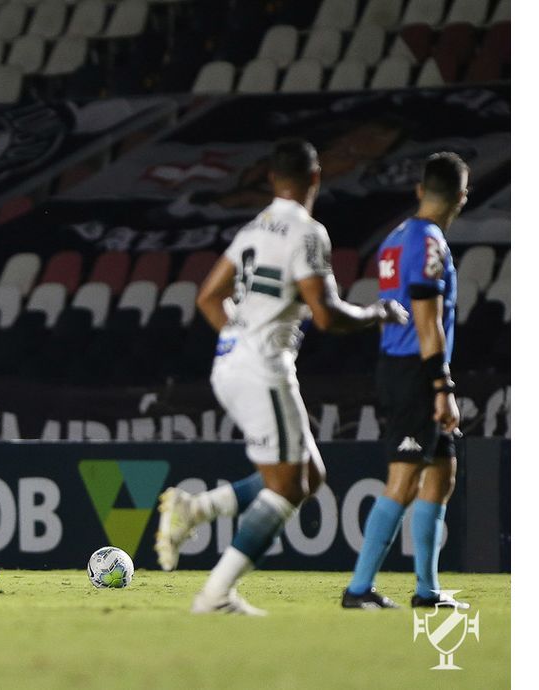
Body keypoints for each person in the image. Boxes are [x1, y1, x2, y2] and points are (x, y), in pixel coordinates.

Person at [159, 138, 407, 614]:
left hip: (231, 362)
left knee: (309, 475)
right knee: (288, 485)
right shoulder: (307, 232)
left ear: (271, 178)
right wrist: (377, 312)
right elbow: (327, 314)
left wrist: (239, 336)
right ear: (316, 176)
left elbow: (208, 296)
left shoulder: (253, 228)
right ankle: (216, 595)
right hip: (262, 367)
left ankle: (196, 509)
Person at [342, 153, 468, 610]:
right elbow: (426, 319)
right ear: (461, 197)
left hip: (400, 364)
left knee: (441, 474)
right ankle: (358, 589)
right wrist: (442, 388)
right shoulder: (430, 243)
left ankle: (427, 590)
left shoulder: (394, 238)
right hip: (417, 369)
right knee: (404, 478)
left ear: (420, 190)